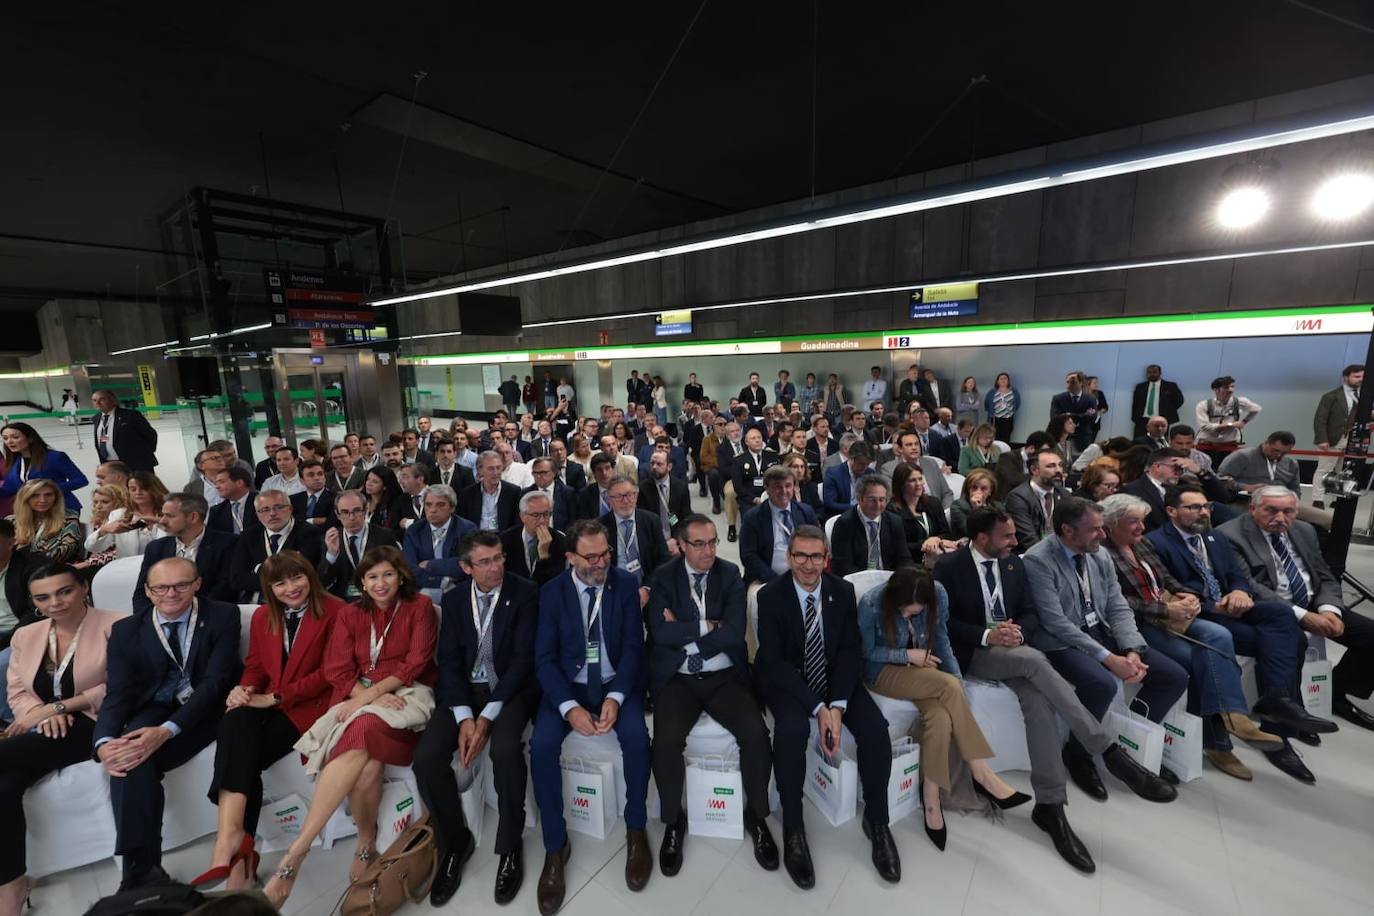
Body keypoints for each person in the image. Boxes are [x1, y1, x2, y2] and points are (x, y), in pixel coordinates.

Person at [934, 509, 1164, 872]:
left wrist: (1016, 632)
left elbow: (1030, 613)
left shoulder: (1013, 566)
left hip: (1014, 647)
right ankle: (1105, 748)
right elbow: (942, 623)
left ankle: (1051, 807)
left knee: (1037, 699)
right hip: (973, 653)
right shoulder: (949, 567)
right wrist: (987, 635)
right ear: (981, 539)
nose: (1015, 542)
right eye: (1007, 537)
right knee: (1035, 662)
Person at [263, 546, 438, 908]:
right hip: (361, 696)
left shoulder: (419, 607)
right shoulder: (351, 614)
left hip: (406, 696)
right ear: (361, 582)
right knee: (366, 766)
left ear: (401, 575)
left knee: (363, 727)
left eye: (388, 574)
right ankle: (366, 841)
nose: (380, 583)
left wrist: (369, 697)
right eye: (371, 577)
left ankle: (297, 851)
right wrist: (364, 696)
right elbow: (336, 669)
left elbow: (415, 663)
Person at [1099, 494, 1285, 781]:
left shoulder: (1142, 543)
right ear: (1111, 525)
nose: (1141, 527)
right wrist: (1167, 608)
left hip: (1169, 617)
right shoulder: (1101, 553)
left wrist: (1188, 595)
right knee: (1196, 661)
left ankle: (1233, 717)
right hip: (1140, 623)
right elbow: (1116, 603)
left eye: (1143, 520)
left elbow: (1166, 579)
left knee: (1219, 634)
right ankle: (1218, 742)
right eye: (1133, 521)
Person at [755, 525, 900, 888]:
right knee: (790, 730)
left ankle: (877, 821)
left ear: (826, 559)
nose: (807, 565)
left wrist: (836, 704)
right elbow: (773, 661)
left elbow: (849, 650)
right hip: (788, 681)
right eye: (800, 556)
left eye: (815, 556)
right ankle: (793, 827)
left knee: (874, 729)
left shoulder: (843, 591)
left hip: (835, 679)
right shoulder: (770, 596)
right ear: (789, 558)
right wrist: (819, 709)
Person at [193, 553, 343, 890]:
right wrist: (244, 690)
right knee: (233, 722)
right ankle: (233, 843)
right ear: (269, 587)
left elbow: (331, 674)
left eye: (297, 578)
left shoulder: (337, 611)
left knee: (241, 755)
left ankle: (232, 855)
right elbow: (257, 665)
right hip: (270, 702)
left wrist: (273, 698)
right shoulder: (263, 616)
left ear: (310, 576)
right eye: (280, 582)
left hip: (311, 708)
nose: (290, 588)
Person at [1022, 498, 1188, 802]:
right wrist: (1109, 659)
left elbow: (1117, 606)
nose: (1102, 535)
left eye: (1102, 528)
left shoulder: (1098, 555)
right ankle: (1078, 754)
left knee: (1173, 676)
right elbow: (1055, 622)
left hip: (1103, 631)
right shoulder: (1038, 560)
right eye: (1094, 530)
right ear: (1067, 531)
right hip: (1061, 641)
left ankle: (1130, 743)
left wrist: (1132, 649)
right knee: (1099, 682)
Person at [95, 557, 241, 890]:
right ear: (147, 591)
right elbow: (117, 694)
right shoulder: (126, 630)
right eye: (161, 587)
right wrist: (103, 743)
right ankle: (140, 871)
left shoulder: (222, 615)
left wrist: (166, 732)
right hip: (155, 705)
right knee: (128, 759)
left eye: (180, 585)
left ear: (197, 584)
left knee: (142, 754)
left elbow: (215, 683)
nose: (171, 594)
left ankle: (139, 875)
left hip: (209, 710)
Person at [858, 566, 1029, 850]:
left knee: (940, 714)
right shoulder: (872, 603)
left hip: (921, 670)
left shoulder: (937, 594)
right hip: (882, 671)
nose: (907, 616)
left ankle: (931, 795)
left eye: (914, 612)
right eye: (904, 611)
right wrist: (906, 654)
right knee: (948, 687)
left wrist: (957, 684)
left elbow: (941, 639)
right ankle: (982, 772)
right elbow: (866, 652)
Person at [530, 520, 653, 914]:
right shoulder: (551, 594)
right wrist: (570, 707)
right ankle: (554, 845)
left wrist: (617, 697)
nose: (601, 563)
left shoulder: (625, 584)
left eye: (606, 554)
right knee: (542, 746)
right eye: (591, 557)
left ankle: (636, 828)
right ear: (569, 557)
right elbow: (544, 660)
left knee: (637, 739)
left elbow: (634, 647)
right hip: (570, 688)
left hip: (617, 682)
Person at [412, 530, 539, 906]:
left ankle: (510, 845)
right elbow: (448, 662)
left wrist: (486, 718)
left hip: (511, 691)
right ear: (466, 567)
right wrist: (466, 716)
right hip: (465, 692)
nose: (496, 567)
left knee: (504, 751)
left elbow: (522, 661)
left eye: (499, 558)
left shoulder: (525, 592)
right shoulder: (452, 601)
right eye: (485, 562)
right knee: (427, 759)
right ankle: (456, 841)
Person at [647, 515, 777, 877]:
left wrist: (684, 631)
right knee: (667, 741)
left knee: (755, 735)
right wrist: (708, 625)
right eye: (699, 544)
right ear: (682, 545)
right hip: (678, 677)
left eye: (713, 542)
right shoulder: (663, 577)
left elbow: (735, 634)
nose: (708, 551)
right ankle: (673, 821)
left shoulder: (729, 573)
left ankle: (758, 815)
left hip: (723, 675)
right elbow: (660, 632)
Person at [0, 565, 125, 910]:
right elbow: (17, 690)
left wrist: (58, 708)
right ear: (33, 601)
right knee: (4, 787)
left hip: (95, 721)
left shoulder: (118, 625)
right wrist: (36, 715)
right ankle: (12, 886)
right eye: (43, 597)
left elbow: (121, 684)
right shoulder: (26, 635)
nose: (54, 603)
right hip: (45, 728)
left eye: (64, 591)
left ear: (83, 587)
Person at [1218, 486, 1374, 732]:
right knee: (1293, 638)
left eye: (1288, 511)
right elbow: (1250, 585)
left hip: (1312, 601)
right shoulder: (1229, 535)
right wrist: (1303, 616)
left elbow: (1325, 575)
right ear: (1253, 508)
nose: (1281, 518)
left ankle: (1337, 691)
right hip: (1270, 607)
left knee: (1370, 634)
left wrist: (1329, 609)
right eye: (1271, 510)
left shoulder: (1303, 530)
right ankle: (1288, 712)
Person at [133, 494, 238, 614]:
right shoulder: (156, 548)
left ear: (193, 517)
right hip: (161, 617)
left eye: (170, 516)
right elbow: (142, 591)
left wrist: (187, 613)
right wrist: (147, 620)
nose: (162, 521)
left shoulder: (228, 544)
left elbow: (225, 589)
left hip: (208, 616)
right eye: (162, 515)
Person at [228, 489, 325, 603]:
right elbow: (237, 579)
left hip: (295, 599)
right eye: (265, 510)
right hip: (254, 602)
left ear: (290, 509)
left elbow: (306, 574)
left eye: (279, 507)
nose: (272, 513)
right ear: (257, 515)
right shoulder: (249, 536)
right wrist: (281, 578)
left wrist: (259, 570)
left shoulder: (310, 533)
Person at [740, 465, 818, 586]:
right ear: (767, 488)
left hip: (805, 574)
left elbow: (818, 545)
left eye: (788, 486)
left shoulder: (806, 512)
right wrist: (776, 581)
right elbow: (748, 556)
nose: (783, 491)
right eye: (777, 487)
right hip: (766, 579)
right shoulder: (753, 517)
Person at [401, 484, 476, 606]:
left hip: (458, 587)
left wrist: (430, 564)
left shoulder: (467, 529)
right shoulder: (414, 531)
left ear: (452, 508)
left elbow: (467, 564)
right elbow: (409, 569)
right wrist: (442, 581)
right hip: (423, 587)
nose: (433, 510)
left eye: (440, 505)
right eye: (428, 505)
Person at [318, 489, 398, 600]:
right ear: (337, 514)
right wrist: (332, 554)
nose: (352, 517)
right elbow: (322, 581)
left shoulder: (384, 536)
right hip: (343, 600)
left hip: (378, 595)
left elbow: (396, 571)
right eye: (345, 512)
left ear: (365, 510)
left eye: (356, 511)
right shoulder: (331, 539)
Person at [600, 474, 669, 598]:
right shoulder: (600, 527)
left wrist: (647, 588)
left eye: (629, 495)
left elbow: (663, 559)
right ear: (609, 500)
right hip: (612, 590)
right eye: (618, 497)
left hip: (647, 587)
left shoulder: (651, 521)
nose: (625, 501)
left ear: (636, 496)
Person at [830, 475, 913, 577]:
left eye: (882, 500)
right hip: (858, 580)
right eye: (872, 500)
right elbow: (843, 566)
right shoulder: (844, 524)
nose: (878, 505)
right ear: (860, 499)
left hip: (889, 580)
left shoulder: (894, 522)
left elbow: (904, 559)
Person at [0, 423, 88, 513]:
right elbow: (8, 489)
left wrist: (50, 489)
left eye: (15, 437)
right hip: (32, 512)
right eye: (5, 438)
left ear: (30, 438)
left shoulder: (54, 457)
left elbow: (81, 480)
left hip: (60, 508)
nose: (9, 441)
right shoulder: (14, 462)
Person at [1312, 364, 1363, 509]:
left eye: (1363, 377)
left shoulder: (1365, 396)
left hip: (1354, 439)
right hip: (1332, 438)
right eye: (1357, 376)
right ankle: (1318, 499)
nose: (1360, 380)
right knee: (1324, 469)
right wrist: (1322, 439)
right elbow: (1320, 419)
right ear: (1346, 377)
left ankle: (1338, 498)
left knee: (1345, 470)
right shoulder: (1331, 396)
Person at [887, 462, 957, 567]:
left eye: (920, 479)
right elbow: (897, 546)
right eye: (912, 480)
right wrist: (926, 544)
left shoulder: (933, 503)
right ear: (901, 484)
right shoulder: (891, 511)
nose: (919, 484)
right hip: (910, 563)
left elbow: (946, 533)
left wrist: (936, 539)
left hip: (938, 558)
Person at [1005, 450, 1070, 554]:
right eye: (1051, 466)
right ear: (1034, 470)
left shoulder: (1064, 495)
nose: (1058, 470)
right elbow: (1028, 539)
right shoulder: (1018, 497)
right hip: (1029, 555)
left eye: (1060, 465)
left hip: (1059, 551)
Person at [502, 491, 568, 585]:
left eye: (546, 514)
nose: (542, 521)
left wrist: (544, 555)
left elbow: (556, 582)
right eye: (536, 515)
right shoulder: (505, 540)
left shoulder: (561, 541)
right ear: (522, 516)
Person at [13, 480, 83, 566]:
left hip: (54, 570)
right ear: (25, 498)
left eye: (48, 495)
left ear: (56, 497)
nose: (43, 500)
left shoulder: (69, 519)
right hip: (18, 570)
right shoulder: (12, 521)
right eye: (35, 495)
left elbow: (67, 550)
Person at [91, 388, 159, 472]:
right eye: (94, 400)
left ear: (113, 400)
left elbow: (150, 435)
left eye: (102, 399)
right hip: (111, 466)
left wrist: (144, 454)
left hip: (137, 465)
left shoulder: (130, 415)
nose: (97, 403)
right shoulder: (96, 419)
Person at [1216, 430, 1301, 496]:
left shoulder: (1291, 463)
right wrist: (1246, 487)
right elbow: (1220, 480)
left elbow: (1295, 489)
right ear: (1266, 443)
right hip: (1247, 500)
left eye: (1284, 453)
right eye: (1275, 450)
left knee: (1313, 516)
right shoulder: (1242, 456)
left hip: (1282, 502)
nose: (1279, 455)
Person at [1122, 448, 1186, 531]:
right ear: (1157, 467)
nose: (1180, 473)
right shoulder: (1131, 490)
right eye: (1176, 468)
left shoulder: (1180, 489)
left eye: (1182, 469)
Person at [458, 451, 522, 532]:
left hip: (503, 538)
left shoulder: (514, 492)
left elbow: (517, 523)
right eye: (491, 468)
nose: (495, 473)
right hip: (476, 538)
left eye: (498, 468)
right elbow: (462, 522)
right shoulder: (467, 494)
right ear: (480, 470)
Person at [1195, 376, 1261, 451]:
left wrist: (1244, 421)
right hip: (1207, 445)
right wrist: (1231, 424)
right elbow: (1205, 427)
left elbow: (1256, 409)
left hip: (1229, 445)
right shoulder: (1203, 405)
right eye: (1226, 387)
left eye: (1232, 387)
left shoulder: (1239, 402)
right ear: (1216, 389)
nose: (1230, 390)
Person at [82, 482, 143, 563]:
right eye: (96, 502)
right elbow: (90, 546)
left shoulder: (121, 516)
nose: (98, 506)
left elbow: (114, 552)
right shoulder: (97, 522)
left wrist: (88, 563)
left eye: (105, 502)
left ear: (118, 502)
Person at [639, 451, 690, 545]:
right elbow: (643, 520)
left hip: (676, 537)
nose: (654, 467)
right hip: (653, 540)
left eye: (659, 464)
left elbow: (685, 517)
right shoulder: (643, 489)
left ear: (669, 467)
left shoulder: (681, 487)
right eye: (652, 463)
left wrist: (676, 539)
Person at [821, 439, 876, 518]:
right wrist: (857, 509)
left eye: (867, 464)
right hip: (842, 516)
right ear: (851, 459)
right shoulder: (834, 474)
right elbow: (830, 504)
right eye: (861, 464)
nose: (864, 467)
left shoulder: (870, 473)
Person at [729, 426, 779, 511]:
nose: (757, 440)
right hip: (749, 499)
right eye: (753, 438)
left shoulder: (772, 456)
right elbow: (738, 486)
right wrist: (754, 499)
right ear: (747, 442)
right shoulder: (739, 460)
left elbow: (778, 478)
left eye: (759, 437)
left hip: (771, 496)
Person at [1130, 365, 1184, 438]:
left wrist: (1168, 411)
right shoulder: (1140, 387)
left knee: (1160, 443)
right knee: (1139, 441)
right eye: (1149, 372)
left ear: (1160, 373)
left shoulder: (1170, 386)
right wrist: (1135, 418)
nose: (1151, 374)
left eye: (1154, 372)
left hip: (1161, 420)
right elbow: (1135, 404)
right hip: (1142, 420)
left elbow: (1179, 400)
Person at [1049, 372, 1097, 453]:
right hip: (1061, 437)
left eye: (1073, 382)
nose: (1069, 385)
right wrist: (1084, 415)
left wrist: (1068, 415)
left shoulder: (1090, 399)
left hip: (1083, 437)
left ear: (1081, 383)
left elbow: (1092, 418)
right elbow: (1055, 418)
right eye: (1067, 382)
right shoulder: (1058, 398)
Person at [994, 430, 1051, 496]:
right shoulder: (1007, 457)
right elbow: (1013, 478)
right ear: (1031, 448)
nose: (1044, 454)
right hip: (1007, 498)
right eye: (1042, 451)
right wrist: (1040, 476)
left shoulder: (1038, 461)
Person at [207, 465, 258, 536]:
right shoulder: (217, 511)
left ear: (239, 483)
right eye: (216, 483)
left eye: (221, 482)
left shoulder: (261, 502)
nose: (217, 487)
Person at [949, 468, 1000, 539]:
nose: (978, 492)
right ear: (968, 489)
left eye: (983, 489)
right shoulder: (958, 506)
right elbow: (970, 533)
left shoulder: (997, 506)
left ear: (990, 492)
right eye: (974, 488)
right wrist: (978, 510)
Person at [362, 465, 409, 532]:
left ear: (385, 486)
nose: (369, 484)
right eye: (368, 479)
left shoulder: (395, 505)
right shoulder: (360, 500)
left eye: (375, 482)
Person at [781, 451, 824, 519]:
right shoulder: (782, 488)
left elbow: (819, 509)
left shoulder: (810, 487)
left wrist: (813, 519)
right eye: (795, 467)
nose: (799, 470)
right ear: (787, 468)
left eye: (802, 467)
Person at [290, 459, 333, 525]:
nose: (317, 478)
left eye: (320, 474)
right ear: (302, 481)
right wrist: (313, 521)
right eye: (311, 475)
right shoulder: (293, 499)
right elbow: (289, 522)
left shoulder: (335, 498)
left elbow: (333, 521)